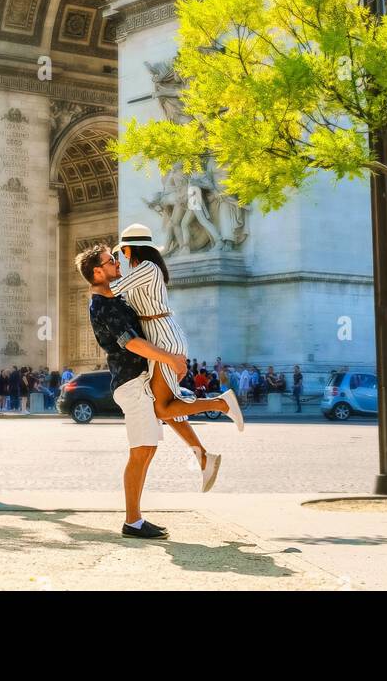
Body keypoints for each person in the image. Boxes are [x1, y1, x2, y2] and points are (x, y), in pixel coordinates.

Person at [76, 242, 203, 539]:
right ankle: (132, 521)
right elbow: (131, 342)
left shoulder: (114, 296)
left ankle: (135, 518)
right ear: (97, 271)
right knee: (141, 451)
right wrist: (170, 357)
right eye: (111, 261)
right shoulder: (102, 304)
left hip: (140, 379)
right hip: (131, 383)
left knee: (146, 450)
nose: (117, 264)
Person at [108, 224, 244, 483]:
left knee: (161, 408)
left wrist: (96, 283)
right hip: (161, 337)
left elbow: (114, 290)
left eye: (122, 251)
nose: (121, 256)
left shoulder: (147, 268)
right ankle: (203, 456)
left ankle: (222, 403)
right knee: (168, 407)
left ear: (129, 249)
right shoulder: (146, 270)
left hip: (163, 338)